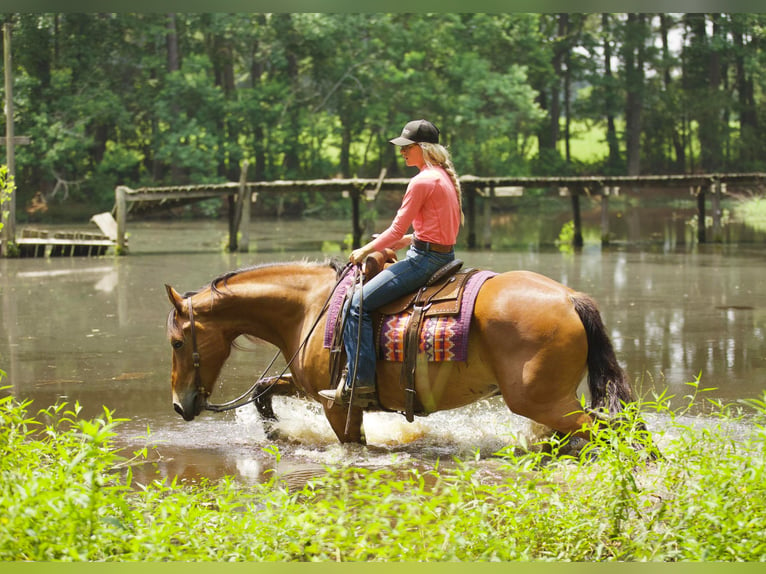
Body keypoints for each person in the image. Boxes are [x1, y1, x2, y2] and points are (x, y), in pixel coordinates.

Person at [319, 119, 463, 408]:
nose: (402, 153)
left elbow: (395, 229)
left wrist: (365, 249)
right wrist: (410, 240)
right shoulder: (443, 177)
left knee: (356, 305)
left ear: (422, 148)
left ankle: (359, 383)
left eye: (407, 148)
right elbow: (442, 227)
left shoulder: (421, 180)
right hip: (441, 254)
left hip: (425, 260)